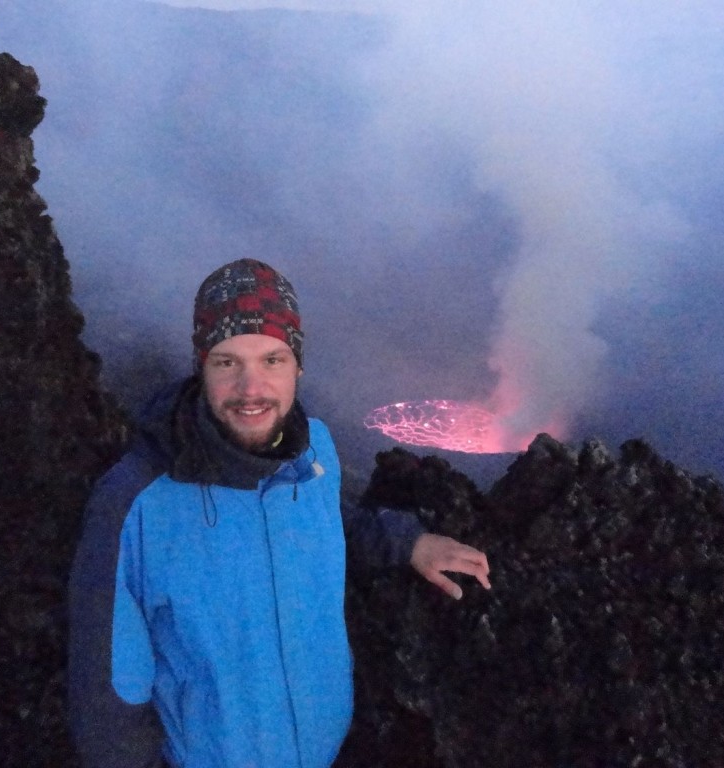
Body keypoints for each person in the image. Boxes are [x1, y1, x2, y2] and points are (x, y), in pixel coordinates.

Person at [67, 258, 491, 768]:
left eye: (273, 360)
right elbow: (106, 696)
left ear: (298, 367)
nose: (252, 389)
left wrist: (410, 542)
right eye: (228, 362)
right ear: (201, 366)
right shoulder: (133, 503)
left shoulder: (316, 453)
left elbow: (335, 523)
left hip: (323, 751)